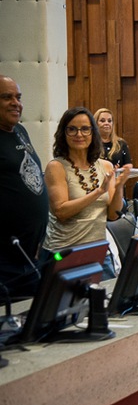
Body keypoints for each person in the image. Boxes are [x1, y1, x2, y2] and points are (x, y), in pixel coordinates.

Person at [42, 107, 131, 280]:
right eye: (72, 129)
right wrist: (98, 192)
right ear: (63, 133)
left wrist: (119, 186)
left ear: (93, 133)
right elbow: (61, 212)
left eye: (85, 129)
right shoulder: (56, 167)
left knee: (103, 303)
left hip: (98, 252)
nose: (79, 134)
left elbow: (113, 215)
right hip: (64, 253)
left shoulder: (105, 166)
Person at [0, 75, 49, 297]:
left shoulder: (20, 131)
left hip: (30, 257)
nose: (16, 103)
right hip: (4, 264)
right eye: (6, 97)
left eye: (18, 97)